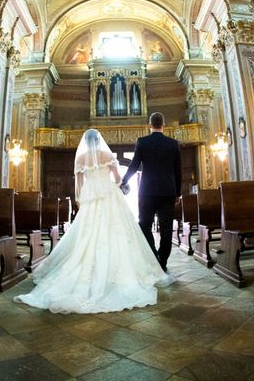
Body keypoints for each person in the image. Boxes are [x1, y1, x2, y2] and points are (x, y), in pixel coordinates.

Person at [14, 129, 172, 314]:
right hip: (109, 195)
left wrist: (81, 200)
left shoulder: (81, 158)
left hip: (90, 197)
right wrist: (116, 184)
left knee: (89, 233)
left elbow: (79, 186)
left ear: (85, 142)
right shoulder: (107, 154)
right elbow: (118, 179)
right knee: (117, 231)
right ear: (99, 140)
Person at [121, 112, 182, 273]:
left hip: (147, 192)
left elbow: (134, 165)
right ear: (164, 124)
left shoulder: (143, 142)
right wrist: (178, 193)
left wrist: (124, 181)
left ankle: (154, 257)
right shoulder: (173, 143)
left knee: (144, 226)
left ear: (150, 124)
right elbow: (178, 171)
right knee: (166, 229)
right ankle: (163, 261)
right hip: (168, 192)